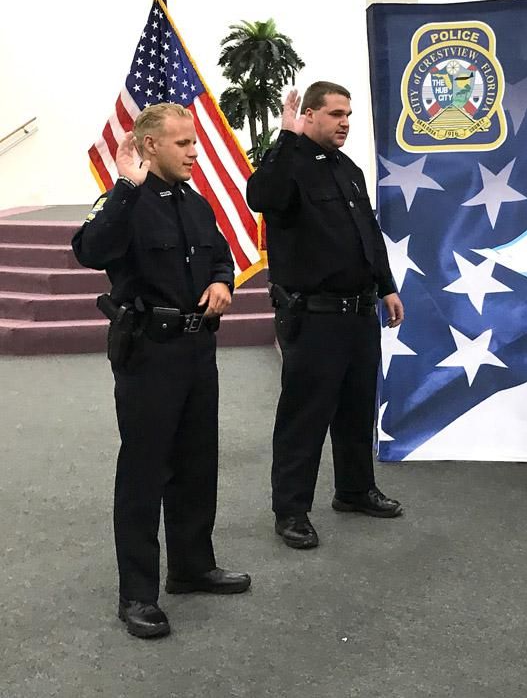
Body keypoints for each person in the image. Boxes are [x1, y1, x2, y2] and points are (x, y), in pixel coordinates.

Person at [72, 103, 251, 639]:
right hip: (149, 351)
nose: (195, 152)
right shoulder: (124, 202)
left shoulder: (195, 204)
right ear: (150, 145)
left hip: (197, 350)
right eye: (183, 143)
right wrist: (126, 189)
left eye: (194, 142)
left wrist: (222, 282)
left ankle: (192, 566)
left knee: (197, 462)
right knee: (144, 471)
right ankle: (137, 594)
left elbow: (220, 256)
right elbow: (90, 250)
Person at [247, 81, 405, 551]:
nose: (345, 122)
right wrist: (285, 137)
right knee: (305, 416)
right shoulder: (288, 166)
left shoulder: (347, 169)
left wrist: (386, 286)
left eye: (348, 114)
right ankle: (291, 510)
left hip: (358, 311)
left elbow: (368, 233)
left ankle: (354, 490)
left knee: (357, 407)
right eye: (335, 114)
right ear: (309, 115)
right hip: (313, 316)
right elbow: (262, 197)